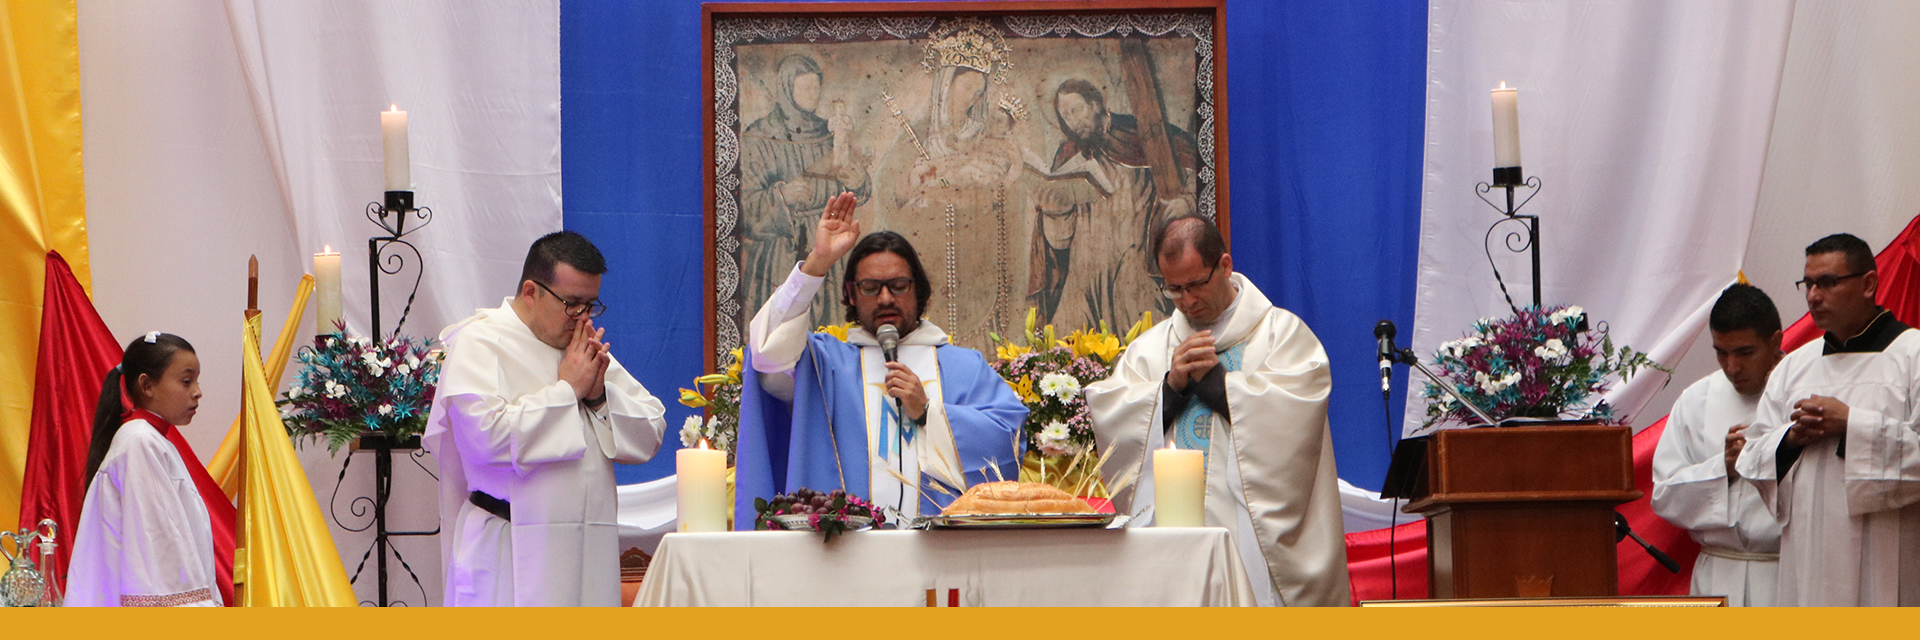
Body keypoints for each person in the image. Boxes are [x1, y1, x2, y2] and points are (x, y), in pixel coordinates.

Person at [1086, 216, 1350, 607]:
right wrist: (1169, 390)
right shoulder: (1150, 349)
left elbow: (1295, 419)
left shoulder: (1281, 335)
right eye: (1174, 289)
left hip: (1252, 539)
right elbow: (1114, 420)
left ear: (1224, 266)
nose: (1187, 301)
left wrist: (1218, 384)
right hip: (1174, 550)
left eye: (1196, 284)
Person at [736, 192, 1027, 524]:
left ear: (919, 290)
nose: (886, 298)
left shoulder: (965, 368)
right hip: (844, 549)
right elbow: (767, 351)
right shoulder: (825, 365)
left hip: (941, 549)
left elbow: (1008, 442)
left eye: (899, 285)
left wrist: (928, 413)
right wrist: (818, 262)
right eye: (870, 287)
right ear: (850, 294)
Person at [426, 231, 667, 607]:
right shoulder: (479, 342)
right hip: (509, 551)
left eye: (590, 305)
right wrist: (567, 391)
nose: (583, 318)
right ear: (530, 292)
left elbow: (650, 431)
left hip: (587, 549)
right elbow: (485, 441)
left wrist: (598, 396)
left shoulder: (579, 346)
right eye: (572, 304)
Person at [1735, 233, 1920, 606]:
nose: (1814, 296)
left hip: (1887, 555)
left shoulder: (1912, 355)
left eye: (1828, 282)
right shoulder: (1794, 367)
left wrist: (1852, 424)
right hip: (1809, 556)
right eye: (1808, 284)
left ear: (1868, 284)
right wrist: (1791, 439)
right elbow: (1752, 456)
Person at [68, 332, 234, 607]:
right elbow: (157, 541)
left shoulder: (152, 440)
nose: (197, 391)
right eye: (186, 381)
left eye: (196, 381)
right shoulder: (140, 441)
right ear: (147, 386)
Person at [1651, 283, 1785, 606]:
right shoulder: (1696, 400)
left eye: (1744, 353)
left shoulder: (1806, 390)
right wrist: (1723, 468)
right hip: (1718, 573)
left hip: (1785, 571)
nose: (1732, 368)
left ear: (1775, 341)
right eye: (1721, 353)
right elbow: (1664, 495)